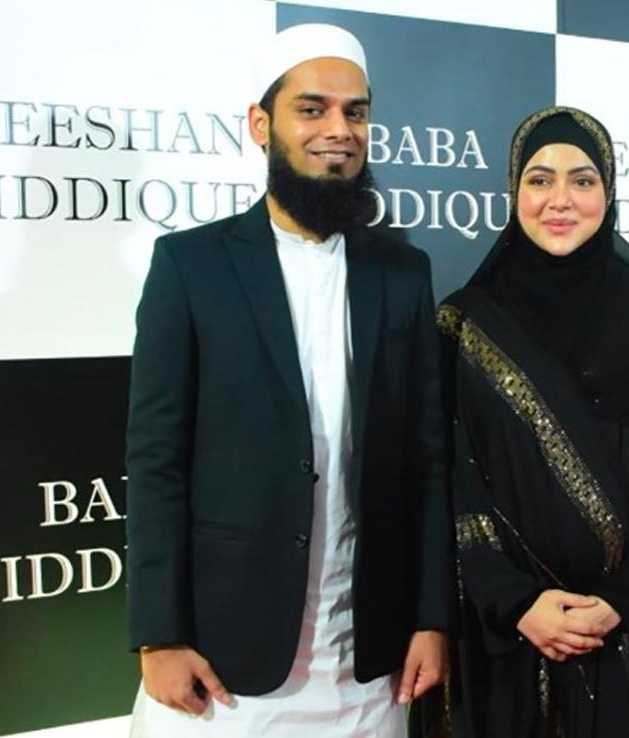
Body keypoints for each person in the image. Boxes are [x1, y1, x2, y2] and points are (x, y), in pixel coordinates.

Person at [124, 24, 450, 738]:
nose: (339, 130)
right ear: (260, 124)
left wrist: (432, 618)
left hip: (368, 660)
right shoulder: (191, 265)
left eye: (355, 112)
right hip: (222, 662)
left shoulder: (403, 272)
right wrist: (159, 635)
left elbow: (427, 460)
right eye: (312, 109)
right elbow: (155, 461)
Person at [435, 106, 629, 738]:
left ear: (608, 192)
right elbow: (448, 483)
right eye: (539, 179)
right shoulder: (464, 326)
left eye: (583, 180)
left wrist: (619, 602)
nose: (560, 199)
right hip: (508, 647)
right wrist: (517, 603)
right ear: (514, 192)